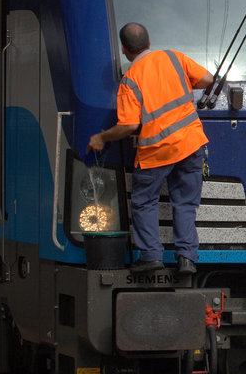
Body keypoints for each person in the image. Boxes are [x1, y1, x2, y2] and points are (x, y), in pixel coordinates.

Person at [88, 23, 214, 274]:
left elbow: (128, 125)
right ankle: (186, 258)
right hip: (191, 144)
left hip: (156, 151)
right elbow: (208, 79)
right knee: (186, 203)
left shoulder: (130, 79)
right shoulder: (174, 57)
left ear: (124, 50)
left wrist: (102, 137)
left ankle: (151, 256)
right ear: (148, 42)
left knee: (144, 202)